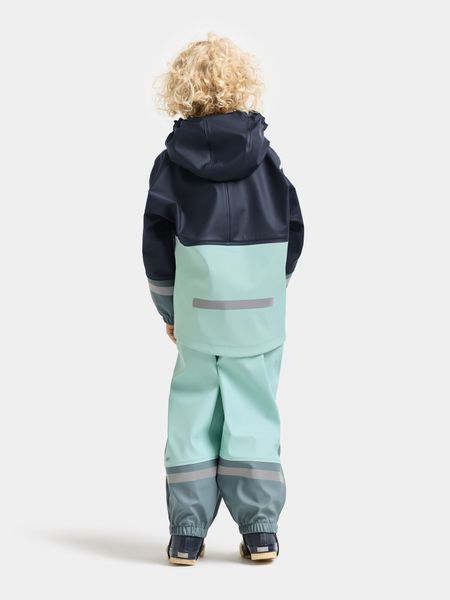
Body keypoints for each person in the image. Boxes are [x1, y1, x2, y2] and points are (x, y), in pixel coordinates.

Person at [142, 32, 304, 565]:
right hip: (260, 313)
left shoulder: (170, 165)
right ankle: (261, 532)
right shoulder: (268, 160)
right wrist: (271, 286)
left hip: (198, 314)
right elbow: (294, 228)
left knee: (192, 416)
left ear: (180, 90)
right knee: (254, 413)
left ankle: (187, 535)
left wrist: (169, 310)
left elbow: (156, 247)